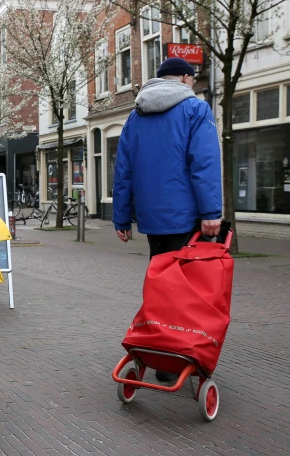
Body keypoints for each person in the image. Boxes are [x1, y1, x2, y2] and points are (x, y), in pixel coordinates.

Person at [112, 57, 222, 382]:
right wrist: (211, 213)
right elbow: (203, 163)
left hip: (151, 220)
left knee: (159, 287)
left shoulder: (135, 116)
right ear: (186, 79)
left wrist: (121, 218)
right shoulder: (196, 110)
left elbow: (124, 170)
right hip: (186, 218)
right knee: (188, 292)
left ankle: (160, 356)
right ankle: (183, 356)